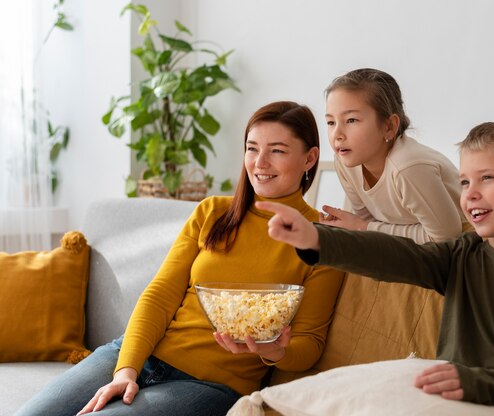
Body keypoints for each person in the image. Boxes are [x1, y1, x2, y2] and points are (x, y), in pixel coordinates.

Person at [15, 101, 345, 416]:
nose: (260, 163)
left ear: (309, 158)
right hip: (137, 354)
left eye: (277, 151)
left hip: (209, 385)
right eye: (252, 148)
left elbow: (310, 344)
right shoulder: (213, 212)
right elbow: (160, 293)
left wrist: (274, 351)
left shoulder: (321, 240)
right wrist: (126, 370)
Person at [257, 120, 494, 414]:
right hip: (441, 402)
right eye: (465, 182)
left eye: (487, 178)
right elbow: (394, 255)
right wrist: (316, 239)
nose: (470, 194)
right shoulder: (462, 255)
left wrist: (475, 382)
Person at [320, 68, 467, 244]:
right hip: (409, 247)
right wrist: (364, 227)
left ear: (389, 126)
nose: (337, 134)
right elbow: (368, 224)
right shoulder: (345, 163)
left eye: (351, 120)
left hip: (461, 248)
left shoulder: (408, 167)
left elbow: (446, 237)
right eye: (331, 122)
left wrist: (364, 228)